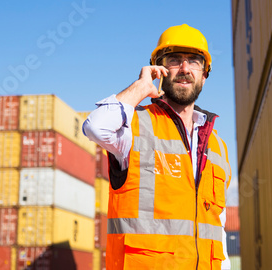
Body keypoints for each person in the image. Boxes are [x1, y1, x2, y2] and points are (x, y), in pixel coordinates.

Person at [83, 24, 232, 269]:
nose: (185, 68)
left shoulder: (218, 146)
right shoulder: (133, 125)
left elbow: (219, 228)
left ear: (205, 75)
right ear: (160, 70)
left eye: (194, 61)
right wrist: (140, 88)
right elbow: (95, 127)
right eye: (174, 60)